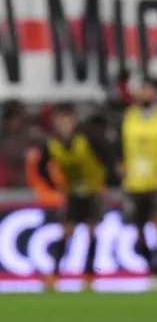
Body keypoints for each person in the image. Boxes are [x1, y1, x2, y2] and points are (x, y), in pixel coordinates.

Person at [38, 103, 116, 293]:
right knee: (66, 232)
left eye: (67, 120)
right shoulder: (52, 144)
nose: (64, 124)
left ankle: (88, 277)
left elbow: (108, 156)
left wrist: (107, 181)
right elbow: (42, 168)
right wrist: (55, 186)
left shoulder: (88, 138)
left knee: (91, 231)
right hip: (73, 192)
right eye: (60, 120)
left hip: (92, 191)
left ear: (73, 121)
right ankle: (54, 275)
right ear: (55, 122)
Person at [120, 78, 157, 290]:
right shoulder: (128, 116)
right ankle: (150, 263)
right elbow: (119, 143)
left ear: (155, 93)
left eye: (148, 90)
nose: (145, 94)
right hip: (134, 181)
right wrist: (119, 164)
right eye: (142, 90)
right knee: (138, 229)